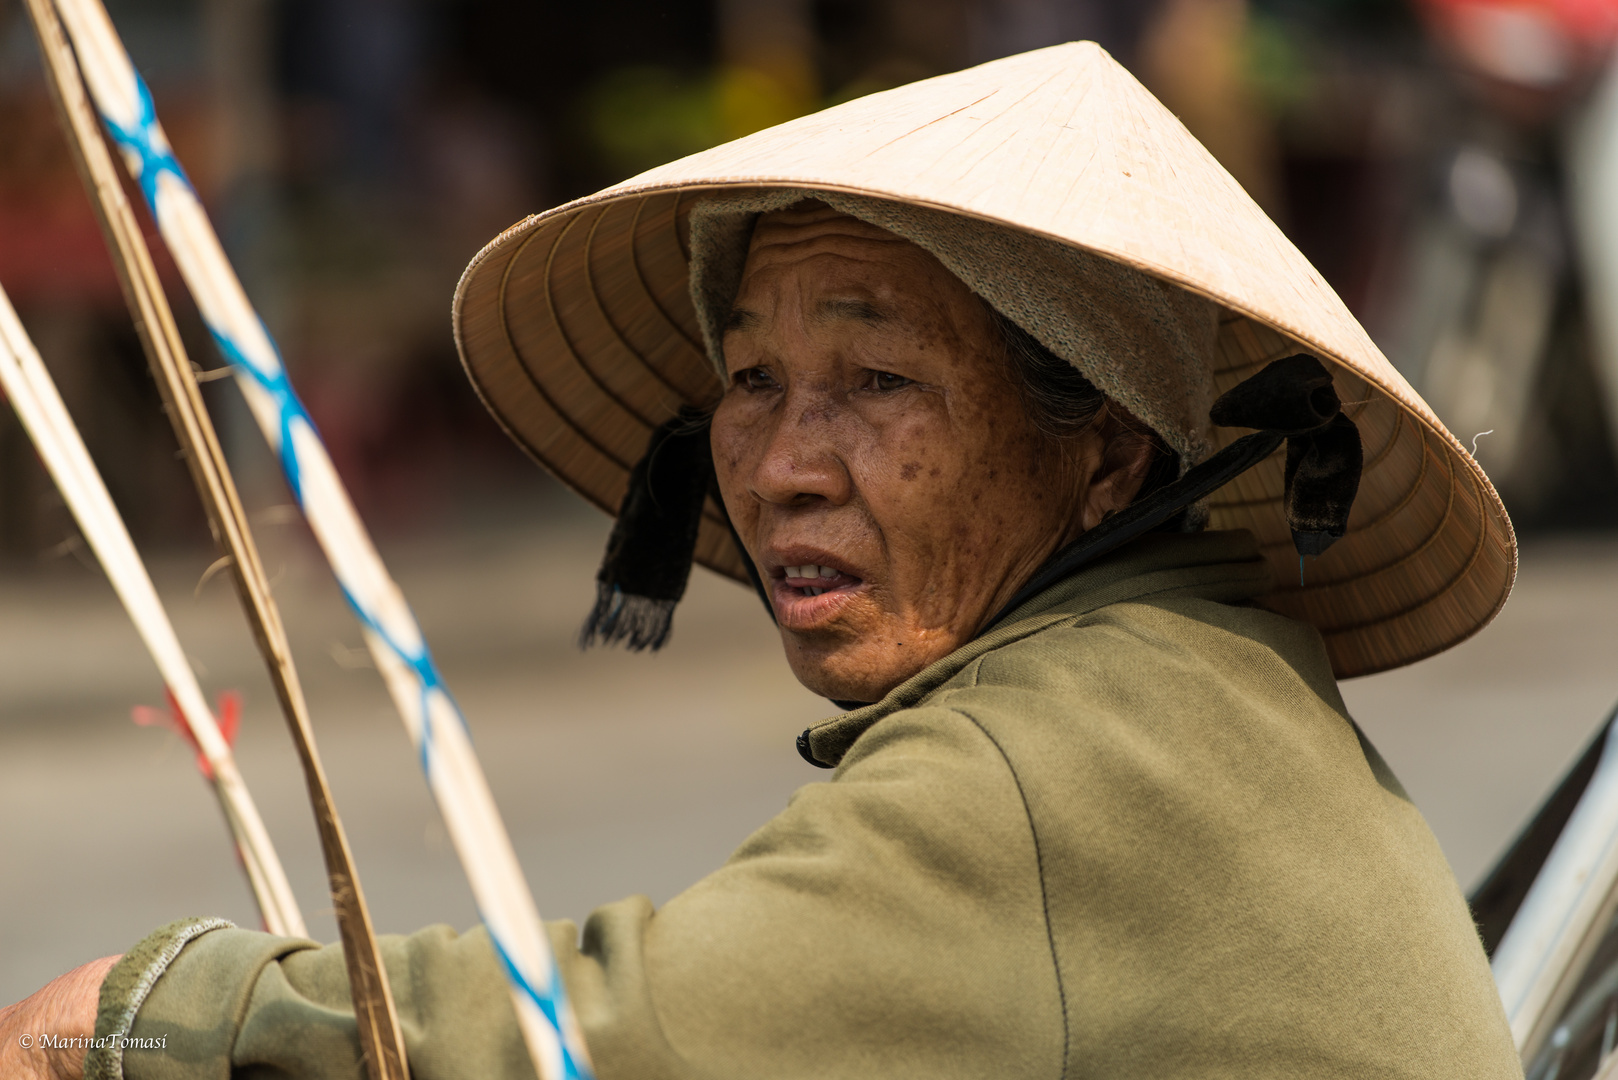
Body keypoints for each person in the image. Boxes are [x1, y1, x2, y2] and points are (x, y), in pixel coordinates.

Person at [1, 42, 1522, 1080]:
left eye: (876, 383)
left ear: (1104, 454)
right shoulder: (1177, 680)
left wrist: (140, 1018)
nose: (782, 462)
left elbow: (609, 1033)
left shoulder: (1078, 750)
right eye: (748, 382)